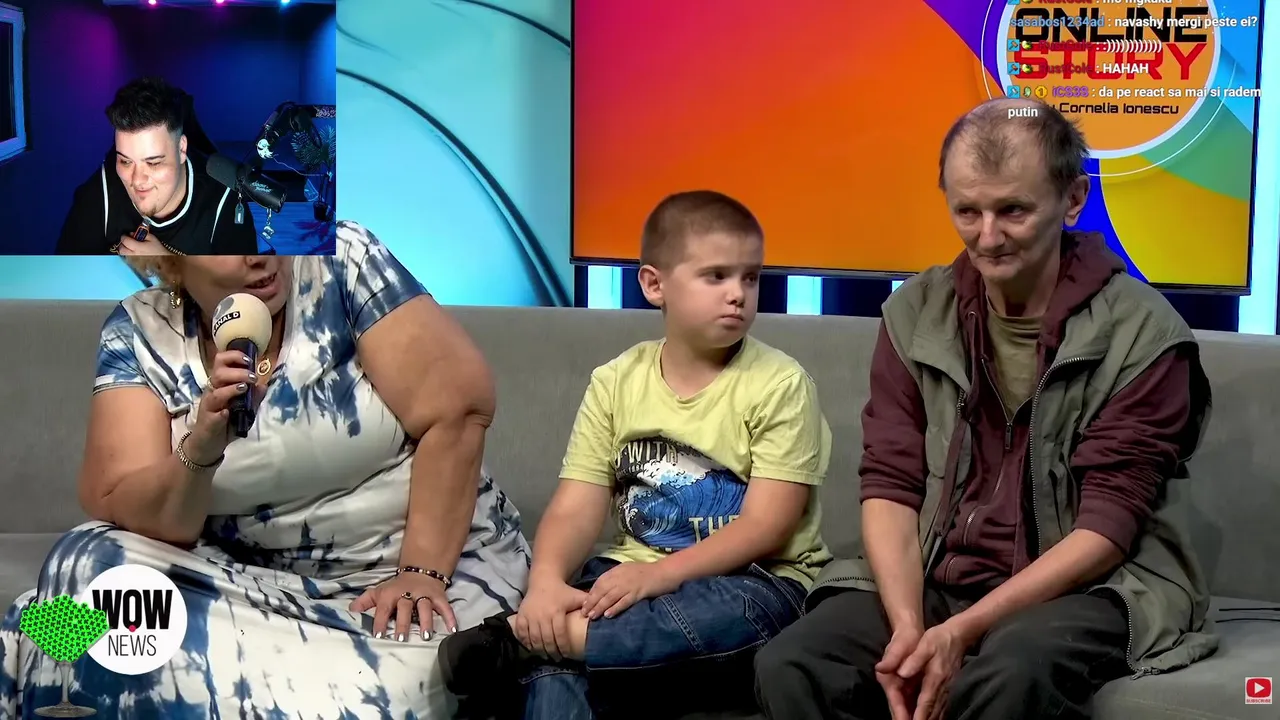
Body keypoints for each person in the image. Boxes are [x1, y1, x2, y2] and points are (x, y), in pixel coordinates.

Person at [754, 98, 1215, 720]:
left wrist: (961, 632)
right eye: (967, 211)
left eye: (1013, 211)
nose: (987, 237)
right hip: (936, 570)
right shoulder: (916, 313)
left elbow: (1108, 529)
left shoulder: (1145, 334)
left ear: (1073, 199)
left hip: (1091, 585)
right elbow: (890, 483)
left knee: (1009, 673)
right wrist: (909, 626)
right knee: (794, 663)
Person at [0, 222, 530, 718]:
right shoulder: (139, 330)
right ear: (172, 259)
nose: (262, 256)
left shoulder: (341, 261)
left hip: (413, 579)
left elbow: (458, 410)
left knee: (413, 683)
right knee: (85, 565)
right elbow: (134, 511)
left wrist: (421, 573)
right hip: (252, 591)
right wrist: (201, 448)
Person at [438, 190, 833, 718]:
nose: (738, 294)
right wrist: (547, 584)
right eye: (716, 276)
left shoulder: (781, 384)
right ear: (654, 285)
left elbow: (768, 526)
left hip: (755, 580)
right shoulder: (615, 381)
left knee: (736, 615)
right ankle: (553, 645)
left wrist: (658, 578)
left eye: (751, 277)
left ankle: (528, 642)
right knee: (556, 676)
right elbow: (575, 506)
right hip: (626, 574)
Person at [54, 76, 259, 256]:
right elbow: (64, 277)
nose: (137, 180)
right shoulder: (100, 192)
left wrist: (170, 267)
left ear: (181, 149)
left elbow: (245, 287)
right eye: (125, 161)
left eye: (153, 163)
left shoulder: (224, 202)